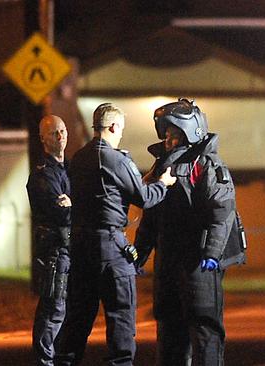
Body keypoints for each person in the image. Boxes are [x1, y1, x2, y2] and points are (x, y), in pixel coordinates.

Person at [56, 103, 176, 366]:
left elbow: (107, 190)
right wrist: (163, 184)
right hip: (110, 248)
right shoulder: (117, 159)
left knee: (77, 319)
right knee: (120, 318)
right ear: (113, 127)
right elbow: (144, 198)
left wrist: (140, 180)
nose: (120, 134)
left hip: (80, 246)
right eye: (120, 129)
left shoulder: (80, 157)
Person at [134, 98, 244, 366]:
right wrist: (140, 253)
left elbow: (222, 212)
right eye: (166, 134)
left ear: (190, 131)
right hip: (168, 259)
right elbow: (150, 217)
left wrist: (213, 253)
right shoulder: (160, 168)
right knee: (169, 329)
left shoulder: (206, 165)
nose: (169, 140)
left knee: (204, 327)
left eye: (174, 134)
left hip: (198, 262)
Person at [27, 115, 72, 366]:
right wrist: (72, 205)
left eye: (63, 130)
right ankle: (45, 361)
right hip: (54, 249)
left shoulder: (69, 170)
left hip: (70, 247)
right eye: (54, 132)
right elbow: (61, 211)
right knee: (53, 308)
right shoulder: (43, 175)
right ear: (43, 138)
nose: (60, 136)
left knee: (68, 311)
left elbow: (76, 206)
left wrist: (73, 203)